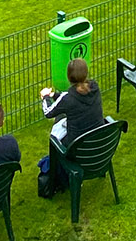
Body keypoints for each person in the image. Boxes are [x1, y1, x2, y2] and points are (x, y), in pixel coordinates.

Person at [40, 58, 105, 195]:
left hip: (77, 149)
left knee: (56, 131)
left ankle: (54, 178)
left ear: (69, 77)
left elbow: (48, 112)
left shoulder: (68, 99)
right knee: (63, 119)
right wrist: (55, 95)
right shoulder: (95, 87)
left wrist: (46, 97)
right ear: (86, 73)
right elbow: (71, 96)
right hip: (100, 143)